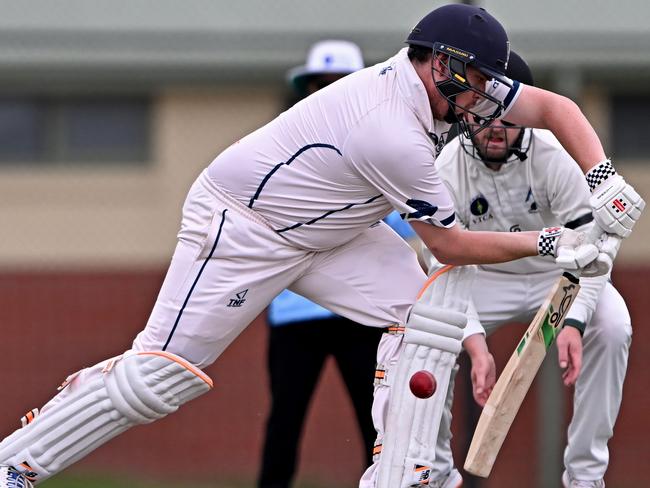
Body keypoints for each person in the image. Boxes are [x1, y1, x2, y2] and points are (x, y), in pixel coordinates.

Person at [0, 4, 642, 488]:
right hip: (243, 227)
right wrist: (552, 242)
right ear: (441, 64)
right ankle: (16, 465)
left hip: (330, 233)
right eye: (476, 83)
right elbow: (448, 245)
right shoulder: (392, 130)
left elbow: (556, 108)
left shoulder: (447, 86)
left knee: (431, 314)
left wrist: (602, 178)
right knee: (161, 379)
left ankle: (405, 477)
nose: (486, 103)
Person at [425, 51, 632, 488]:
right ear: (467, 113)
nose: (496, 127)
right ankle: (436, 473)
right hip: (480, 280)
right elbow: (439, 261)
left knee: (612, 325)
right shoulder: (448, 167)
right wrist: (475, 343)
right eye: (484, 116)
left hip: (558, 277)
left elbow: (594, 250)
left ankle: (585, 478)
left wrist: (572, 320)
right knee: (429, 333)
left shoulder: (554, 157)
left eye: (507, 117)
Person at [258, 40, 405, 488]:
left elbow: (415, 223)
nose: (329, 92)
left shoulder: (385, 150)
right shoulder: (282, 148)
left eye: (340, 84)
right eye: (320, 85)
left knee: (376, 417)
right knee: (285, 417)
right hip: (295, 308)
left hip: (360, 308)